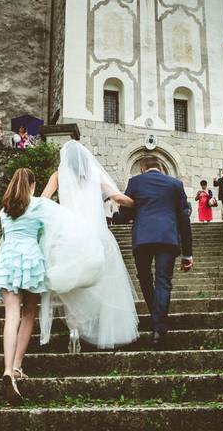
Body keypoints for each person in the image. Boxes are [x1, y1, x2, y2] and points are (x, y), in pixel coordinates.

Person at [40, 140, 139, 351]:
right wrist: (142, 204)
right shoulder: (95, 174)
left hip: (69, 235)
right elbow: (119, 198)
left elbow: (43, 201)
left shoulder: (58, 176)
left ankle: (74, 328)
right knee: (103, 282)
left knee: (72, 284)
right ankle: (102, 328)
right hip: (96, 235)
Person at [0, 168, 46, 405]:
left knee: (11, 316)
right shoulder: (38, 206)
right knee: (29, 314)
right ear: (32, 185)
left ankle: (8, 371)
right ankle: (18, 365)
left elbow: (4, 238)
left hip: (8, 261)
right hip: (31, 260)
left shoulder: (4, 211)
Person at [124, 156, 193, 347]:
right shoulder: (175, 184)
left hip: (142, 238)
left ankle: (157, 322)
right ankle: (159, 326)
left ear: (143, 168)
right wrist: (188, 253)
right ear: (161, 168)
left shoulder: (135, 182)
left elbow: (124, 213)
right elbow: (184, 218)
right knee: (163, 280)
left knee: (145, 278)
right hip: (167, 238)